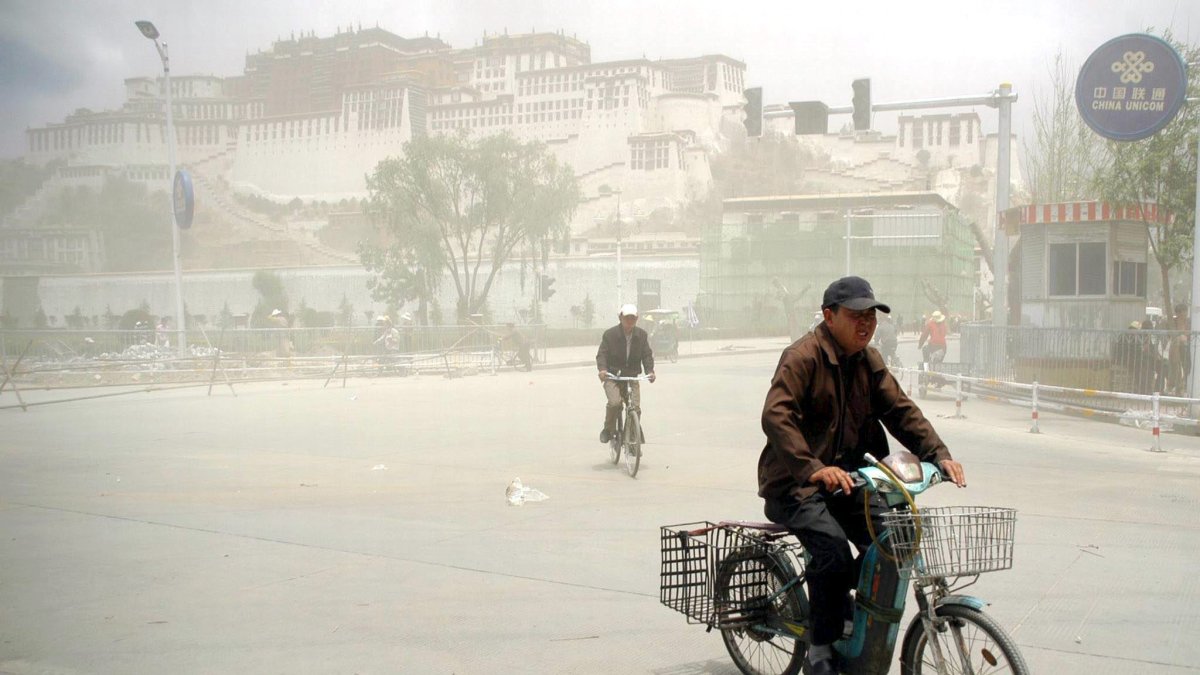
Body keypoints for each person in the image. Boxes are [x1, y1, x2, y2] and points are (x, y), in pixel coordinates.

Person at [758, 276, 966, 675]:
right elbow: (776, 415)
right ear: (829, 315)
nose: (865, 324)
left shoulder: (869, 361)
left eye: (870, 316)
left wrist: (939, 455)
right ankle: (819, 647)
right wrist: (814, 468)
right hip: (794, 483)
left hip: (849, 481)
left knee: (891, 540)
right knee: (833, 551)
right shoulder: (802, 356)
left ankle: (837, 603)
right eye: (856, 315)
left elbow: (901, 411)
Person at [596, 304, 656, 443]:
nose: (629, 322)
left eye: (633, 319)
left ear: (637, 319)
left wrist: (650, 371)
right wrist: (602, 369)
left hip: (631, 377)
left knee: (635, 408)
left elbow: (647, 355)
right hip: (613, 376)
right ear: (620, 318)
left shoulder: (641, 335)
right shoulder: (610, 335)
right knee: (615, 403)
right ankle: (609, 430)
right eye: (626, 318)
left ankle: (633, 438)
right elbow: (602, 354)